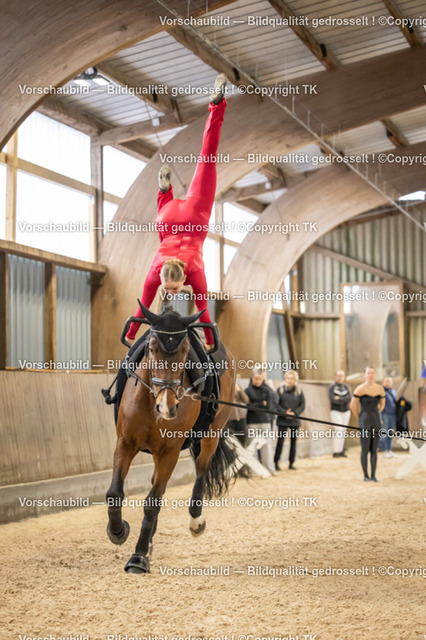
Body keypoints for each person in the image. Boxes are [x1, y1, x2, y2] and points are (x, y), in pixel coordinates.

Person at [125, 73, 228, 348]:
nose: (170, 292)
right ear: (180, 279)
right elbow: (141, 308)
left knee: (207, 158)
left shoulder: (193, 273)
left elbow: (203, 311)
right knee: (164, 233)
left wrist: (131, 336)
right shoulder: (155, 271)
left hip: (194, 218)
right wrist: (129, 333)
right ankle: (163, 192)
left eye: (169, 288)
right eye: (173, 289)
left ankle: (216, 105)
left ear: (181, 278)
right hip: (167, 220)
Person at [350, 366, 385, 482]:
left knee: (374, 449)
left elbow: (382, 405)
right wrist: (360, 416)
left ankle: (373, 475)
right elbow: (353, 406)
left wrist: (376, 414)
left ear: (375, 375)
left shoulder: (380, 389)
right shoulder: (360, 389)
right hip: (364, 421)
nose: (370, 375)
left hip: (376, 420)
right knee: (365, 449)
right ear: (364, 375)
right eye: (368, 373)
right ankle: (366, 475)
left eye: (372, 373)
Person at [245, 369, 276, 475]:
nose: (257, 380)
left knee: (267, 447)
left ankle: (270, 469)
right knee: (252, 447)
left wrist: (256, 405)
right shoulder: (247, 391)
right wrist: (261, 404)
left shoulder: (267, 390)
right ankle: (253, 471)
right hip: (251, 422)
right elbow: (248, 406)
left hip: (265, 421)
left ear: (263, 379)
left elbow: (268, 406)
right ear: (252, 378)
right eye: (256, 378)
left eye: (259, 379)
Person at [274, 370, 305, 471]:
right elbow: (276, 404)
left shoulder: (299, 391)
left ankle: (291, 463)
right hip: (282, 420)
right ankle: (276, 462)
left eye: (292, 378)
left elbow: (302, 405)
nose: (289, 380)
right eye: (288, 378)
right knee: (280, 442)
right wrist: (284, 413)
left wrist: (295, 413)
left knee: (293, 442)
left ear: (295, 379)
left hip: (294, 421)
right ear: (285, 379)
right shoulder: (280, 390)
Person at [328, 370, 352, 458]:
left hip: (346, 411)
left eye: (342, 376)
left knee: (343, 431)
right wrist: (343, 399)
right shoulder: (332, 387)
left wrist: (339, 398)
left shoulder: (346, 387)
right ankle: (336, 451)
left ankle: (340, 450)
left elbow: (349, 398)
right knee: (338, 430)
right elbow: (332, 399)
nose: (340, 377)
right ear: (335, 376)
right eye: (338, 375)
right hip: (335, 411)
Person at [226, 381, 249, 445]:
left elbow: (246, 400)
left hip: (240, 418)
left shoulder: (237, 386)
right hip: (228, 420)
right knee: (230, 441)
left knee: (242, 440)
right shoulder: (223, 387)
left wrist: (239, 390)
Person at [380, 376, 398, 458]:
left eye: (389, 381)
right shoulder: (381, 391)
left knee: (390, 433)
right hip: (385, 414)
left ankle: (389, 450)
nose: (388, 383)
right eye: (386, 381)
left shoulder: (393, 391)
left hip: (392, 415)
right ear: (383, 382)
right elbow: (379, 405)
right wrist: (380, 417)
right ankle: (385, 451)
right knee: (384, 432)